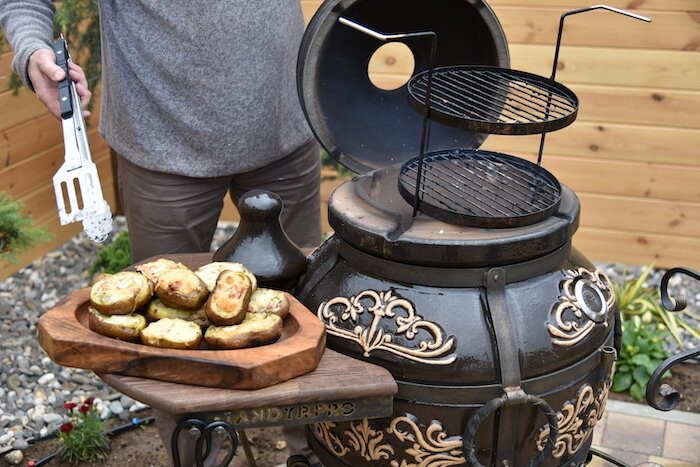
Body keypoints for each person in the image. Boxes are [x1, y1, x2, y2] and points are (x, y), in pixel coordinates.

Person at [0, 1, 322, 465]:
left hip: (285, 130)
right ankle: (200, 458)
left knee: (301, 309)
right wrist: (32, 50)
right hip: (162, 144)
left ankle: (309, 450)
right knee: (170, 326)